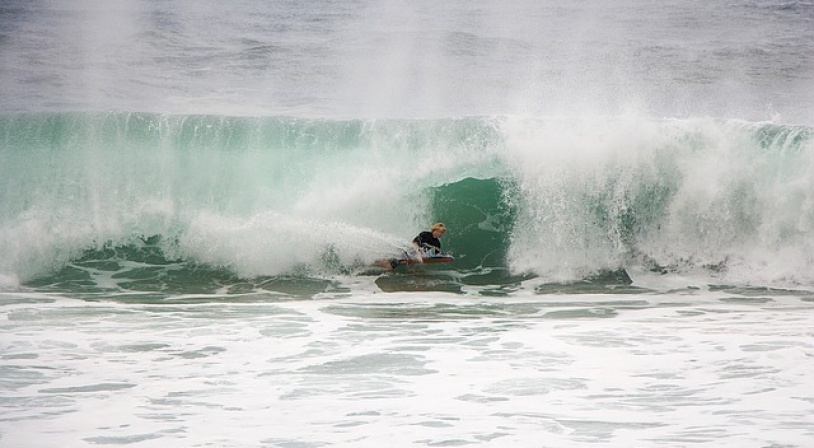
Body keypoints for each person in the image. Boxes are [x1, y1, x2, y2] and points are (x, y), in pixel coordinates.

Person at [375, 223, 448, 271]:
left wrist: (444, 257)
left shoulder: (437, 243)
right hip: (410, 250)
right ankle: (378, 263)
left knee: (394, 265)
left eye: (443, 232)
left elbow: (437, 253)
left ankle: (380, 263)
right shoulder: (425, 234)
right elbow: (414, 243)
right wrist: (418, 253)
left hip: (416, 255)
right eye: (441, 232)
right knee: (392, 265)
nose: (442, 234)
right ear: (435, 230)